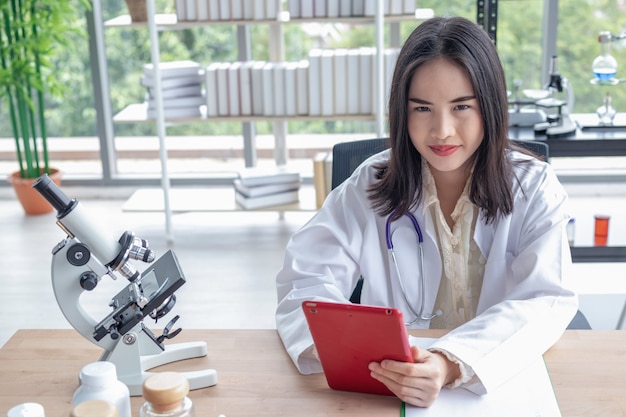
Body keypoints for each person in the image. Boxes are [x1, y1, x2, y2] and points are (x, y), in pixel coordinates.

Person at [275, 16, 578, 407]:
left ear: (490, 105)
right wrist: (355, 352)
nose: (442, 131)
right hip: (391, 388)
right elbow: (304, 280)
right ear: (402, 112)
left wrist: (449, 363)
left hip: (500, 382)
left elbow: (544, 298)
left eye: (461, 107)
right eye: (422, 109)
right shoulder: (370, 185)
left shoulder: (534, 188)